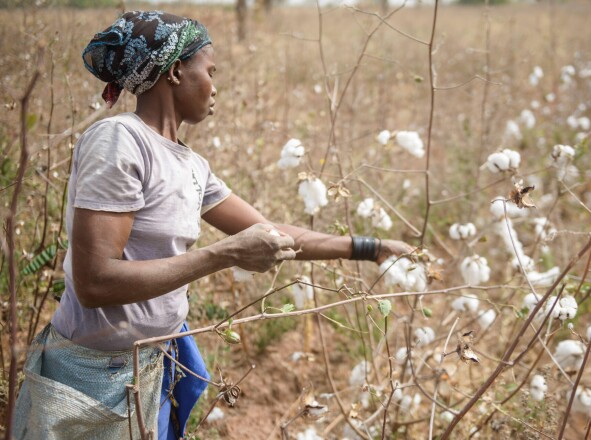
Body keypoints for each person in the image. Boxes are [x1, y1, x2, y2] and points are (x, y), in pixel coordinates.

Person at [13, 10, 413, 440]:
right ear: (174, 71)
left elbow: (271, 233)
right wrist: (223, 255)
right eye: (210, 71)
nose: (215, 86)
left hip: (153, 361)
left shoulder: (192, 165)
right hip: (96, 374)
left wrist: (370, 247)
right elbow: (95, 283)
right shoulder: (120, 140)